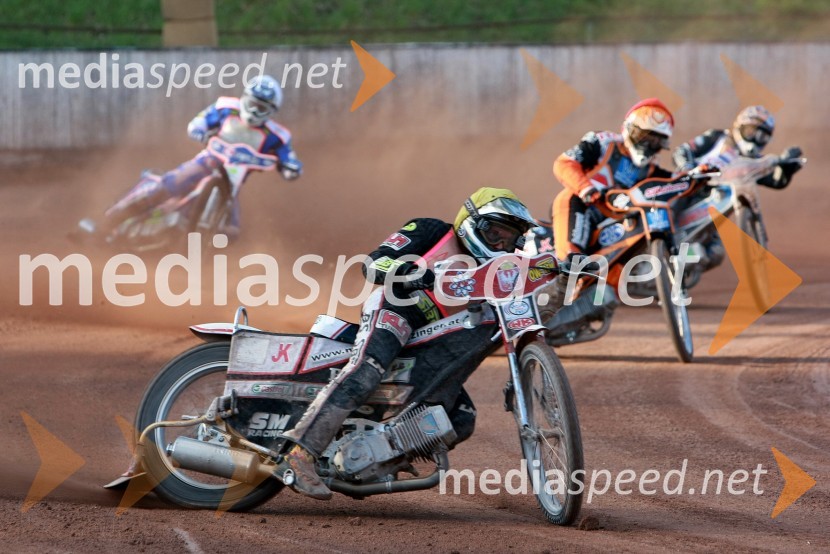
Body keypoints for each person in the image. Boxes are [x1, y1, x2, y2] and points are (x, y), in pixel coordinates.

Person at [279, 187, 537, 500]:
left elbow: (539, 268)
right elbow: (373, 264)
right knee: (367, 369)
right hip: (397, 309)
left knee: (461, 417)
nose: (500, 244)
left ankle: (373, 460)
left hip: (436, 336)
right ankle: (299, 453)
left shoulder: (501, 270)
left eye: (508, 239)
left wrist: (571, 267)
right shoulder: (431, 230)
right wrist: (414, 272)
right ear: (472, 222)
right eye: (494, 233)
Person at [78, 75, 303, 240]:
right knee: (168, 186)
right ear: (244, 99)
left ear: (271, 112)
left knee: (232, 231)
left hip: (232, 183)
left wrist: (290, 167)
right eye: (252, 104)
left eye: (261, 109)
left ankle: (205, 270)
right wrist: (199, 129)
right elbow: (202, 119)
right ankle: (104, 223)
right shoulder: (226, 108)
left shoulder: (276, 136)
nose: (254, 112)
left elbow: (289, 158)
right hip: (207, 162)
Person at [550, 98, 674, 292]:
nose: (649, 145)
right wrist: (586, 188)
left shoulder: (652, 171)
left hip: (615, 221)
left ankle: (608, 288)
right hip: (584, 207)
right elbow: (564, 163)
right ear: (629, 129)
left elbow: (675, 183)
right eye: (645, 137)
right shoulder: (603, 142)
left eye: (656, 141)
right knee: (570, 199)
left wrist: (699, 174)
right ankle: (568, 264)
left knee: (614, 287)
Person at [672, 105, 804, 269]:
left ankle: (674, 271)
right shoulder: (716, 137)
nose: (755, 139)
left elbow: (775, 181)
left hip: (712, 210)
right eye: (752, 131)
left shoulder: (754, 162)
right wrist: (687, 167)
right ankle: (663, 238)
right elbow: (682, 151)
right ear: (740, 126)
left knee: (714, 253)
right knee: (672, 203)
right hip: (691, 190)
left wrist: (786, 170)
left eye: (762, 136)